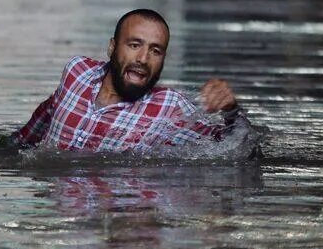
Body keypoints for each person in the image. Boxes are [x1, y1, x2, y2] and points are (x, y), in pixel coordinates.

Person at [14, 9, 245, 152]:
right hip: (61, 219)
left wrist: (231, 110)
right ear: (112, 47)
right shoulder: (77, 72)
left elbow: (239, 150)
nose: (143, 59)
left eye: (155, 51)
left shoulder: (169, 108)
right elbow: (45, 116)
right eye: (134, 45)